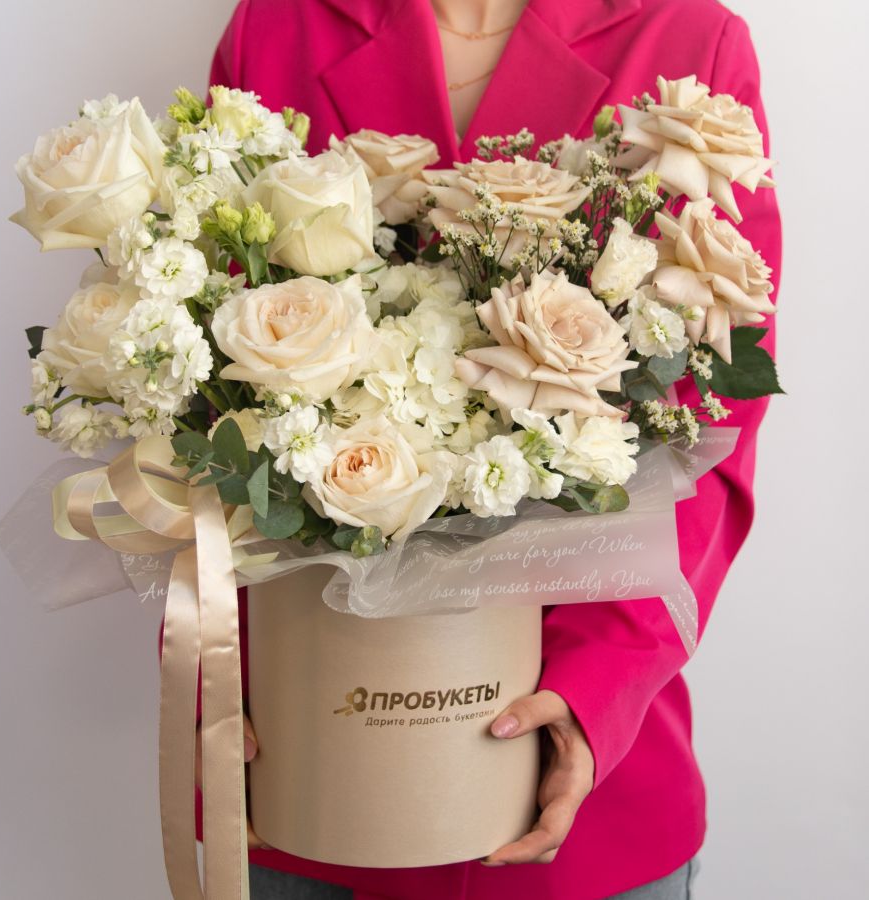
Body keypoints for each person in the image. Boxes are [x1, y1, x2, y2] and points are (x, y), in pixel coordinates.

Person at [194, 1, 782, 897]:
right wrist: (215, 674)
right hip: (302, 746)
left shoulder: (689, 42)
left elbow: (708, 435)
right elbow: (204, 398)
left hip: (571, 780)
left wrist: (592, 694)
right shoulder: (279, 27)